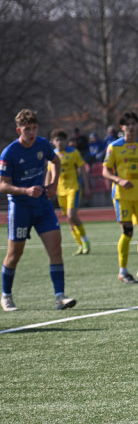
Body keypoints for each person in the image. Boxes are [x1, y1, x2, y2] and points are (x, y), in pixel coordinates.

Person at [0, 109, 76, 312]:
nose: (31, 132)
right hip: (20, 208)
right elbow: (3, 185)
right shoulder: (9, 153)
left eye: (34, 128)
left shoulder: (42, 144)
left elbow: (56, 161)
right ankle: (6, 295)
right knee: (15, 254)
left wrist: (53, 185)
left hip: (43, 206)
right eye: (27, 129)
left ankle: (60, 297)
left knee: (56, 250)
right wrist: (25, 190)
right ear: (19, 130)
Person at [102, 111, 138, 284]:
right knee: (127, 232)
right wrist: (119, 180)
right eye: (128, 124)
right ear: (122, 127)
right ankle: (123, 271)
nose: (131, 127)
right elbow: (105, 170)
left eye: (134, 124)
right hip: (122, 195)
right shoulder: (114, 147)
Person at [49, 129, 91, 256]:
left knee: (72, 215)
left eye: (62, 139)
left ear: (65, 141)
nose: (60, 142)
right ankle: (80, 245)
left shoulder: (73, 153)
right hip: (60, 191)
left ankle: (85, 241)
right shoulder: (52, 155)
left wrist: (87, 186)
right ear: (53, 142)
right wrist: (48, 188)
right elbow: (49, 172)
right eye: (57, 140)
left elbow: (82, 169)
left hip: (73, 188)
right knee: (69, 220)